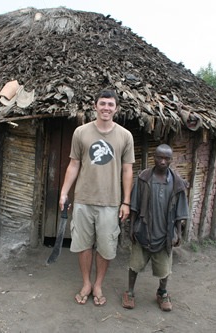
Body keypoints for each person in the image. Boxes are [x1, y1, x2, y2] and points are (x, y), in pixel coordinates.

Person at [59, 89, 135, 306]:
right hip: (83, 199)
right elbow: (74, 165)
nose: (106, 108)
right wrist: (64, 192)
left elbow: (127, 170)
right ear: (95, 106)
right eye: (102, 103)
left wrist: (126, 202)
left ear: (116, 108)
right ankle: (86, 282)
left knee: (106, 247)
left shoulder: (124, 136)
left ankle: (98, 284)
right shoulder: (81, 133)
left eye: (111, 105)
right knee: (83, 244)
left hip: (110, 202)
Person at [122, 144, 189, 311]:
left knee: (164, 268)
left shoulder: (177, 183)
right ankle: (129, 292)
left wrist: (178, 233)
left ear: (171, 160)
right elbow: (135, 206)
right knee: (135, 264)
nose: (163, 161)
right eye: (160, 157)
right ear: (154, 157)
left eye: (167, 158)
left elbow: (181, 212)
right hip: (143, 230)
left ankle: (162, 293)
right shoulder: (144, 178)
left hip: (164, 233)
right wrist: (131, 229)